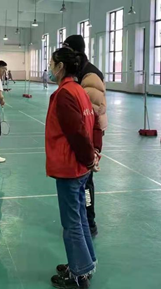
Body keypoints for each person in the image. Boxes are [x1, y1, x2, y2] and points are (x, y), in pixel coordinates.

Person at [45, 47, 99, 288]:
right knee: (80, 218)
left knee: (71, 223)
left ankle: (78, 274)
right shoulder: (79, 90)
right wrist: (92, 157)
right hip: (80, 168)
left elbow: (77, 132)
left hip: (70, 167)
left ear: (60, 67)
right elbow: (93, 124)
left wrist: (89, 159)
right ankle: (85, 263)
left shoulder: (65, 94)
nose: (49, 67)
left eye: (52, 63)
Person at [63, 35, 107, 237]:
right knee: (80, 180)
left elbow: (92, 114)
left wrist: (93, 148)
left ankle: (89, 222)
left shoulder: (90, 76)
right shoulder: (78, 72)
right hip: (83, 133)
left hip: (89, 134)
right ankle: (82, 219)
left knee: (86, 182)